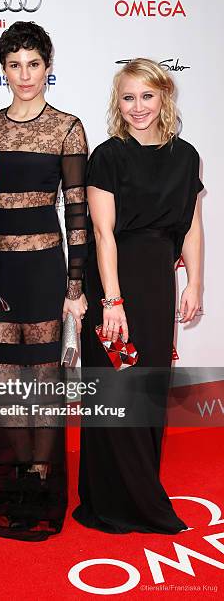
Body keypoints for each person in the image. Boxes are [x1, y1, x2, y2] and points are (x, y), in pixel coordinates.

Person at [0, 21, 88, 541]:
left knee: (42, 381)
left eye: (34, 64)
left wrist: (75, 287)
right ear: (3, 69)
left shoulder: (67, 127)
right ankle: (8, 488)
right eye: (14, 65)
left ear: (48, 66)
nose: (25, 75)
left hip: (43, 271)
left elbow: (77, 213)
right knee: (4, 379)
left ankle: (40, 487)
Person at [73, 58, 203, 534]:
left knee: (147, 387)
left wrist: (196, 283)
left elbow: (191, 225)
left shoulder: (186, 156)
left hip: (157, 286)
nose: (138, 107)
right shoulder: (107, 156)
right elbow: (102, 234)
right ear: (117, 102)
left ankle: (139, 483)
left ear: (164, 97)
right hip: (117, 282)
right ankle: (119, 500)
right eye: (128, 97)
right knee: (117, 386)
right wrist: (112, 301)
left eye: (147, 96)